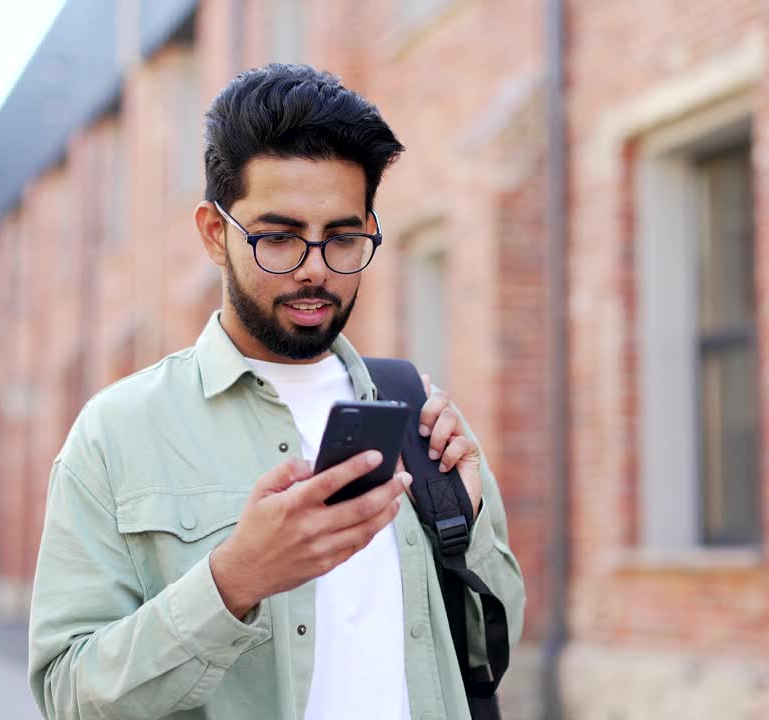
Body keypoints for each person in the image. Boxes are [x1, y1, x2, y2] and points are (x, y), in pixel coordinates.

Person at [28, 63, 525, 720]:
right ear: (214, 233)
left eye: (343, 238)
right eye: (280, 237)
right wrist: (233, 582)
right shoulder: (116, 432)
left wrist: (463, 524)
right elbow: (69, 695)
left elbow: (486, 657)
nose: (315, 269)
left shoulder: (414, 410)